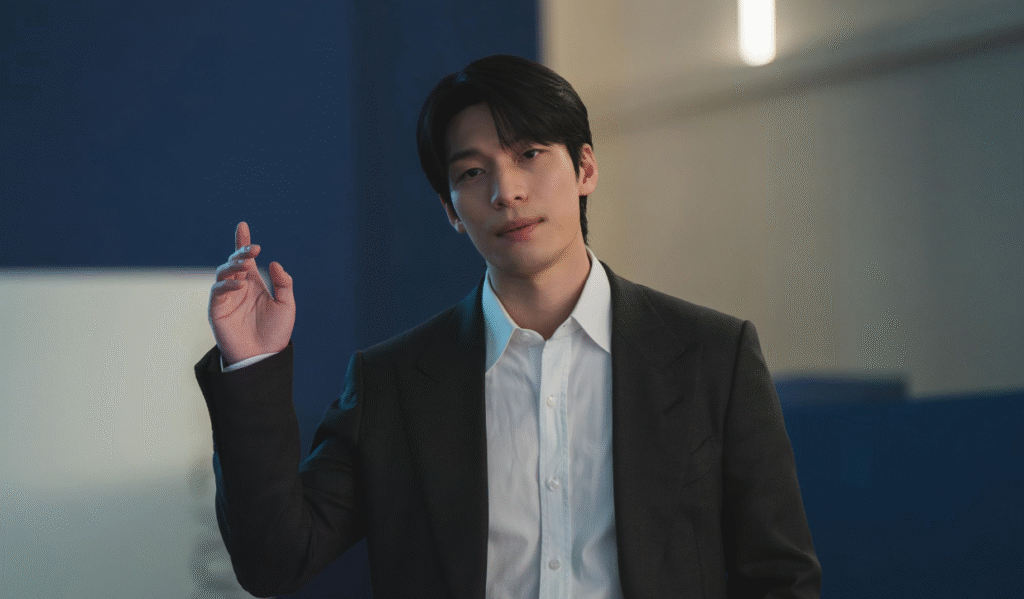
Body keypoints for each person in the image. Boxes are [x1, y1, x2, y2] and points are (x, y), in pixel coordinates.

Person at [194, 54, 821, 599]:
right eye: (472, 172)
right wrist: (251, 363)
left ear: (585, 168)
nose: (506, 191)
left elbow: (780, 578)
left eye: (529, 154)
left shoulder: (712, 357)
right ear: (450, 211)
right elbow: (275, 561)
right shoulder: (394, 385)